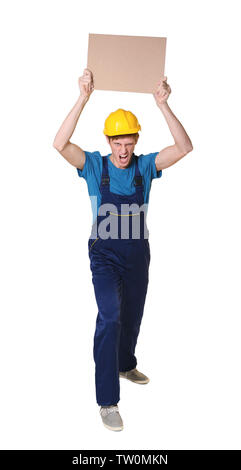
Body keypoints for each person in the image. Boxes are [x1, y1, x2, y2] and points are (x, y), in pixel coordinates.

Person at [53, 68, 193, 432]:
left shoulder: (145, 167)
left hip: (137, 255)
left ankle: (125, 363)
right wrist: (82, 97)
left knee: (131, 316)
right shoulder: (94, 166)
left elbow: (184, 148)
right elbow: (60, 144)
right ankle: (107, 400)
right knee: (111, 317)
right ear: (109, 141)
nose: (124, 150)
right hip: (104, 257)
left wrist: (164, 105)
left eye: (129, 142)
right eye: (117, 143)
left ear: (135, 140)